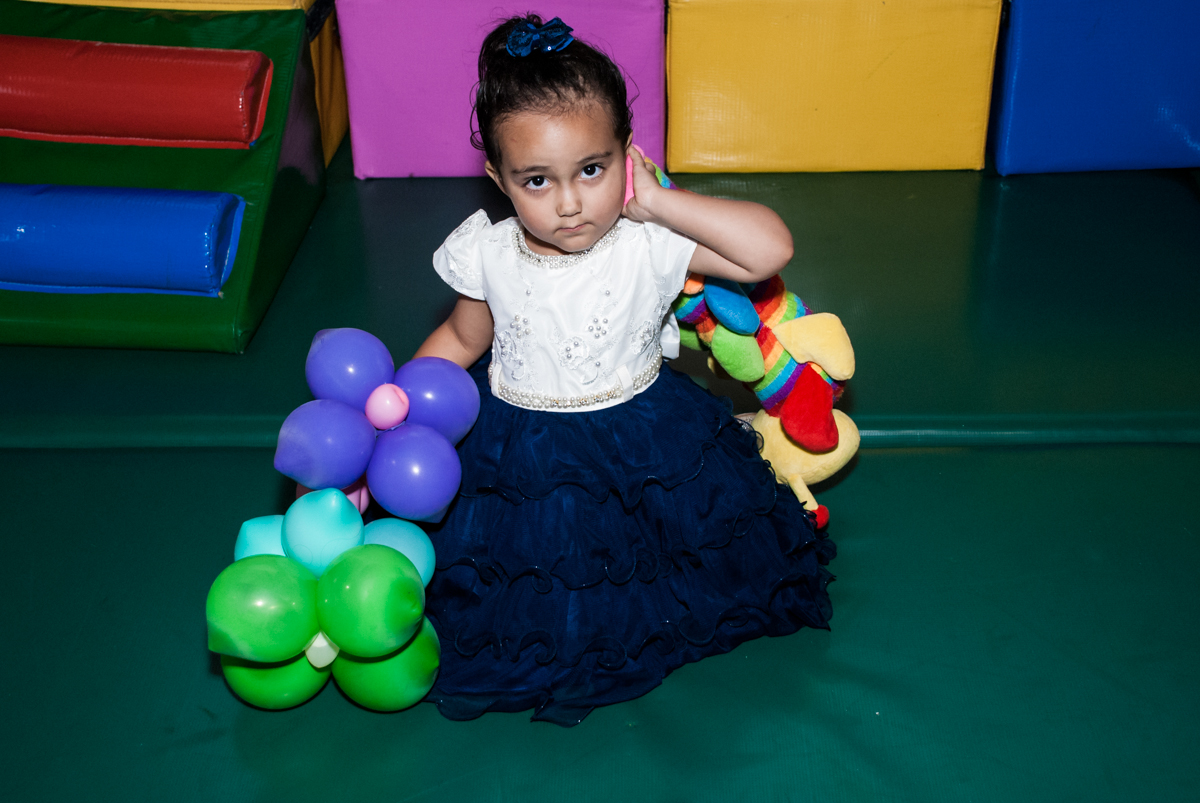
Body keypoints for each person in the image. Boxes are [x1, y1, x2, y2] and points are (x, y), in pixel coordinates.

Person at [414, 14, 835, 726]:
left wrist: (659, 201)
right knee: (530, 584)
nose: (571, 201)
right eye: (537, 180)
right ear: (498, 177)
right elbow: (460, 337)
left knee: (657, 566)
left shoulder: (647, 241)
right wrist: (391, 405)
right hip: (520, 452)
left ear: (626, 155)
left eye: (592, 169)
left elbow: (767, 250)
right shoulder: (487, 254)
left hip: (644, 442)